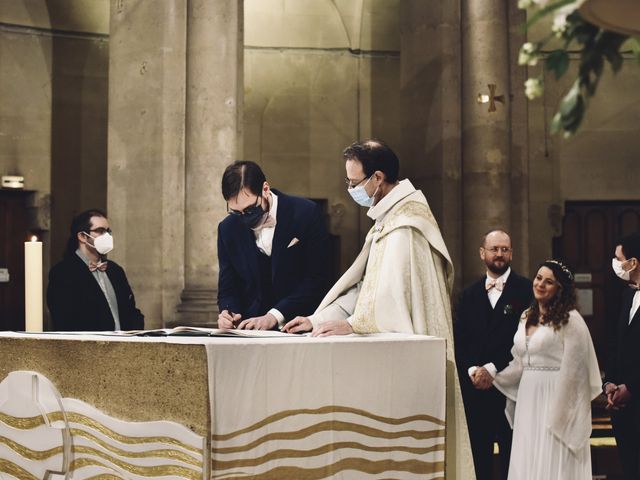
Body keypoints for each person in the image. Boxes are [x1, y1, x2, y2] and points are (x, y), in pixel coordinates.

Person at [283, 139, 476, 480]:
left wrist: (353, 325)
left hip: (412, 368)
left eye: (354, 183)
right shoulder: (388, 221)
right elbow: (366, 286)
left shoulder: (406, 227)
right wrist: (319, 318)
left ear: (378, 178)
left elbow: (390, 300)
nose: (350, 190)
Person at [488, 260, 601, 480]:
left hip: (555, 396)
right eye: (538, 278)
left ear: (560, 289)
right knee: (528, 457)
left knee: (552, 457)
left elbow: (576, 370)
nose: (540, 284)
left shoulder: (571, 319)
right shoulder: (526, 316)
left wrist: (563, 411)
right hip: (528, 399)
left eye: (549, 282)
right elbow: (520, 363)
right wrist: (493, 376)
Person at [454, 230, 532, 480]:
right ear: (482, 253)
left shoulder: (527, 290)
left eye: (505, 249)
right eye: (494, 249)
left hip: (512, 388)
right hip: (476, 390)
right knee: (479, 457)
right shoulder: (467, 295)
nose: (500, 254)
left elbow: (526, 341)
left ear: (511, 253)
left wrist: (492, 368)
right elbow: (460, 340)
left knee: (514, 456)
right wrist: (472, 371)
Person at [216, 160, 331, 330]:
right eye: (235, 212)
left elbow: (317, 278)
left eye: (249, 210)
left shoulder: (306, 213)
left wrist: (274, 316)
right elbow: (228, 286)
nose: (243, 218)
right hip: (250, 331)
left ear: (265, 189)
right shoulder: (227, 228)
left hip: (298, 325)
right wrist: (228, 312)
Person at [47, 209, 144, 331]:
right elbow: (64, 319)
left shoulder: (115, 270)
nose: (107, 236)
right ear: (82, 236)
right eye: (100, 231)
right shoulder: (63, 272)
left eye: (108, 231)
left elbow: (131, 311)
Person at [604, 232, 640, 480]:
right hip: (623, 407)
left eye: (619, 258)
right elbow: (616, 343)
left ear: (633, 263)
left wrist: (633, 387)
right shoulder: (627, 294)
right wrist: (610, 382)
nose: (616, 264)